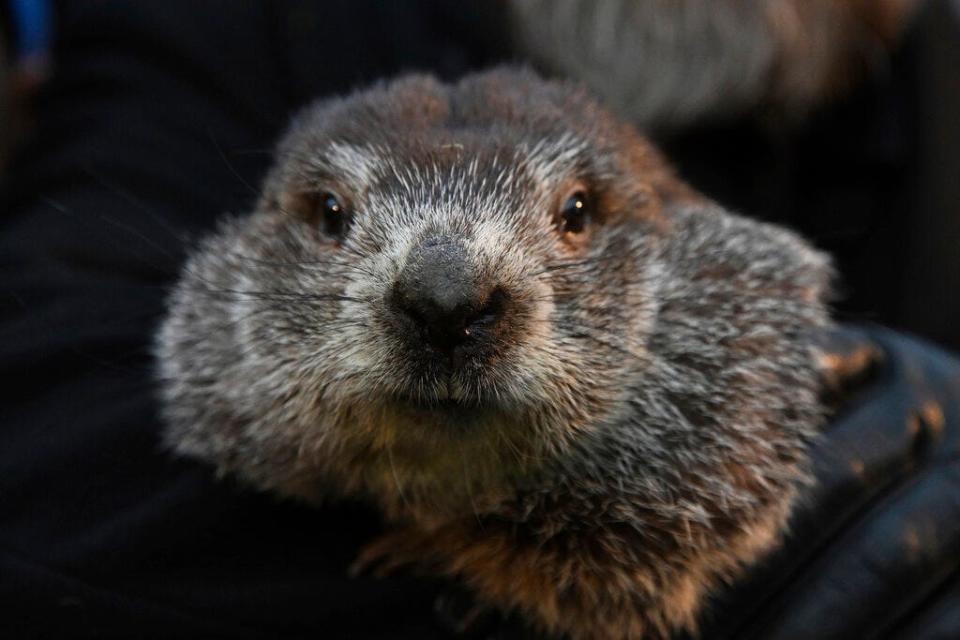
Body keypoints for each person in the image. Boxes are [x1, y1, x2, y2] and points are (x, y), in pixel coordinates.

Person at [1, 2, 958, 638]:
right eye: (335, 221)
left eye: (575, 220)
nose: (453, 293)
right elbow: (50, 429)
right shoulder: (237, 26)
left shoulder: (932, 92)